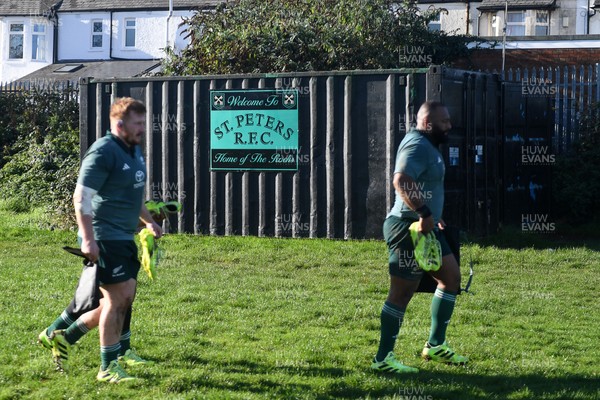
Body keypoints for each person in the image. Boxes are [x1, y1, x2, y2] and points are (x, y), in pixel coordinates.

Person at [39, 97, 162, 383]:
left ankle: (64, 339)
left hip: (122, 237)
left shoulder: (133, 151)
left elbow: (133, 195)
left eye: (144, 123)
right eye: (138, 123)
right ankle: (107, 367)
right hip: (104, 236)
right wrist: (88, 240)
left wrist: (149, 221)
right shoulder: (103, 152)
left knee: (121, 299)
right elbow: (81, 196)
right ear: (120, 124)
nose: (143, 128)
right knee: (117, 299)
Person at [371, 101, 468, 373]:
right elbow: (401, 180)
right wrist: (424, 212)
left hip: (427, 225)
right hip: (407, 227)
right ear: (428, 124)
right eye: (444, 122)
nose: (449, 126)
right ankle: (383, 359)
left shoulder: (428, 147)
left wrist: (434, 215)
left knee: (451, 279)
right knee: (401, 293)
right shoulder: (415, 145)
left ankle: (435, 345)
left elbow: (425, 184)